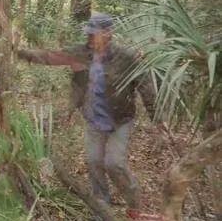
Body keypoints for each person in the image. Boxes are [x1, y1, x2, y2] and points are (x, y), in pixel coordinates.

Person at [16, 12, 166, 210]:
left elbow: (145, 86)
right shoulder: (81, 53)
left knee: (113, 163)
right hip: (93, 119)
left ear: (107, 33)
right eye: (87, 34)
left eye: (92, 34)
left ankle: (133, 200)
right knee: (94, 161)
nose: (88, 38)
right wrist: (18, 51)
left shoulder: (126, 57)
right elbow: (48, 56)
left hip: (120, 119)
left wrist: (158, 117)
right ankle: (102, 203)